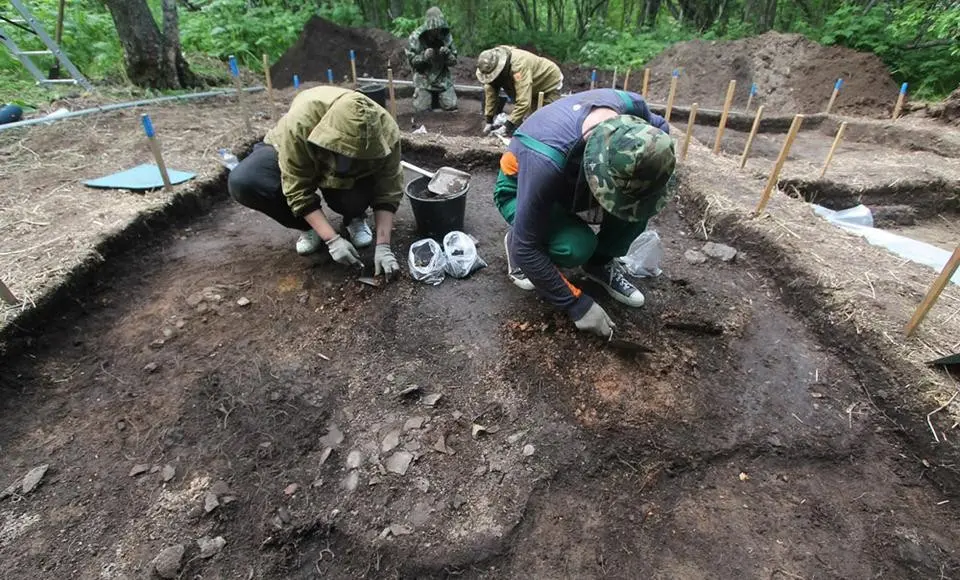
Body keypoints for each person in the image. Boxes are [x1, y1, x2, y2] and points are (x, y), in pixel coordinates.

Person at [495, 88, 675, 337]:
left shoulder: (633, 108)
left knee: (637, 209)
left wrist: (652, 166)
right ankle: (518, 233)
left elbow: (661, 127)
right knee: (575, 246)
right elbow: (528, 250)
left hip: (570, 180)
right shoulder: (545, 159)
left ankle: (599, 265)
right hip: (520, 186)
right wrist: (576, 304)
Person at [228, 86, 402, 279]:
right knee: (245, 181)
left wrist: (383, 246)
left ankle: (354, 216)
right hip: (294, 146)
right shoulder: (300, 124)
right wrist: (332, 239)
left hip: (346, 168)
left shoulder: (387, 132)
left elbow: (389, 188)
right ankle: (310, 227)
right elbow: (297, 188)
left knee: (352, 200)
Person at [475, 46, 563, 137]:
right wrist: (489, 121)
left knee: (547, 122)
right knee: (527, 122)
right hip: (530, 83)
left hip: (548, 81)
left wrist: (506, 127)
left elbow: (523, 102)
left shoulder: (519, 67)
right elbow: (491, 93)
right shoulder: (491, 67)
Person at [406, 7, 458, 113]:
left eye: (438, 28)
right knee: (421, 109)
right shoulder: (416, 37)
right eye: (434, 29)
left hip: (442, 78)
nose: (436, 31)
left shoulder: (446, 36)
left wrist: (447, 54)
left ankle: (437, 97)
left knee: (451, 106)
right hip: (424, 78)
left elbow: (454, 61)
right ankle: (428, 97)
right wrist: (423, 57)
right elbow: (412, 62)